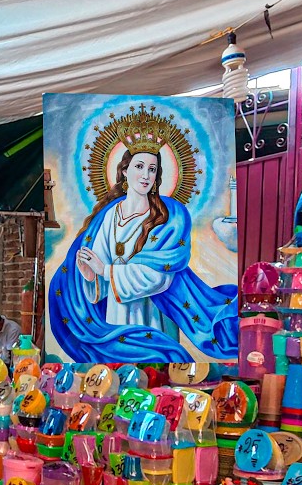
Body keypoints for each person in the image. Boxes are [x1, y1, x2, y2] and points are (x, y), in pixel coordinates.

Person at [48, 117, 238, 362]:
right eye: (139, 166)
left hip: (155, 314)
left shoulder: (168, 218)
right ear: (125, 171)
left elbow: (160, 277)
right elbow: (100, 279)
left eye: (152, 169)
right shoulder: (108, 218)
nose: (146, 175)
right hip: (118, 316)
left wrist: (105, 270)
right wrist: (91, 277)